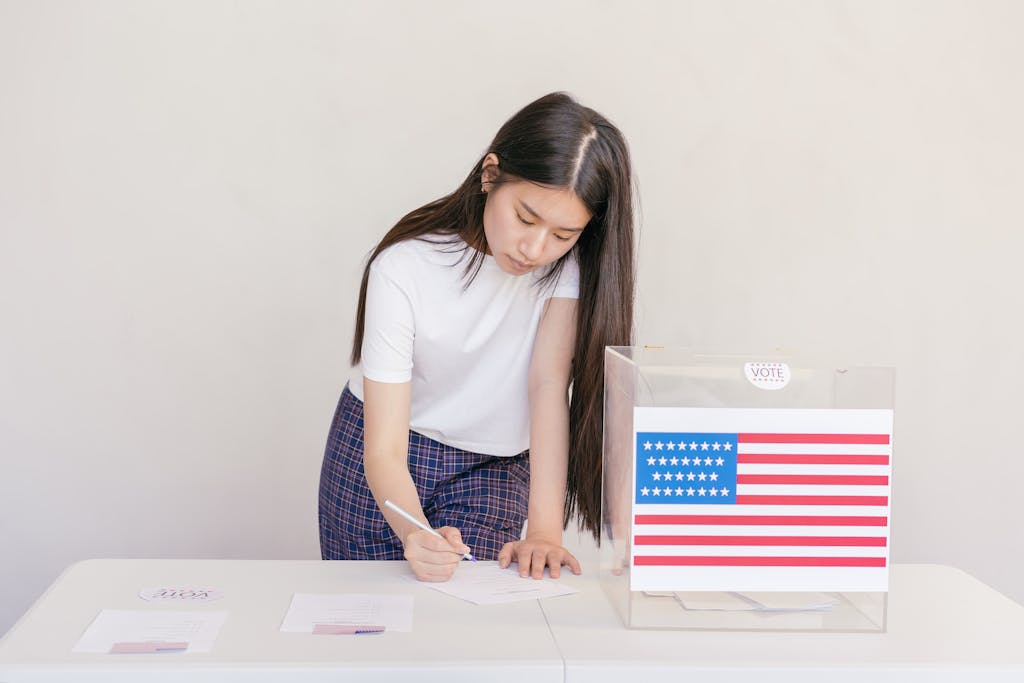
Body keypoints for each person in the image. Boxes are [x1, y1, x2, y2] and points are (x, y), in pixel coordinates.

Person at [318, 92, 635, 582]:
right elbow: (384, 450)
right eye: (525, 218)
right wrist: (414, 533)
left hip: (494, 465)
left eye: (563, 234)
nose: (535, 248)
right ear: (490, 175)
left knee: (468, 628)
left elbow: (549, 385)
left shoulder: (566, 269)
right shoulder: (405, 266)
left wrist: (546, 532)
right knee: (371, 627)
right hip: (384, 456)